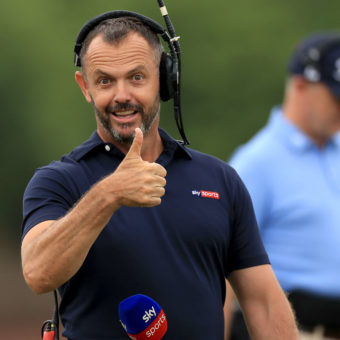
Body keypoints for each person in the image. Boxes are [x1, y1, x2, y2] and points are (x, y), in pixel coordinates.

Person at [21, 11, 298, 340]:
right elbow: (39, 273)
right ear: (85, 86)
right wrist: (109, 194)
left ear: (166, 80)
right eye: (105, 80)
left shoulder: (220, 180)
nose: (122, 95)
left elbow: (264, 304)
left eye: (136, 77)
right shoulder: (57, 181)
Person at [228, 32, 340, 340]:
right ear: (301, 86)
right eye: (335, 98)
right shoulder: (256, 163)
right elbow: (223, 270)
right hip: (297, 331)